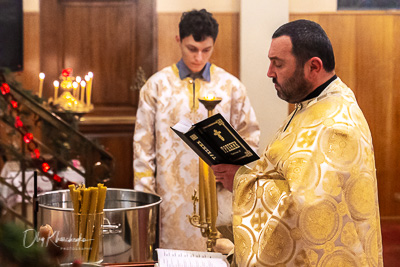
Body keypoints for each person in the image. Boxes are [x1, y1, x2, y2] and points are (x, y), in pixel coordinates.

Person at [212, 19, 383, 266]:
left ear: (313, 66)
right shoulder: (310, 105)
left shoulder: (336, 125)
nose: (269, 72)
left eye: (278, 64)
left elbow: (307, 211)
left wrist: (240, 180)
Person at [133, 9, 260, 251]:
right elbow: (142, 149)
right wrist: (145, 203)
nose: (199, 57)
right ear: (178, 40)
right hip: (169, 201)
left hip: (218, 197)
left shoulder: (231, 87)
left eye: (206, 50)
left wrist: (233, 174)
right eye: (192, 49)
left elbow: (249, 137)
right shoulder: (156, 87)